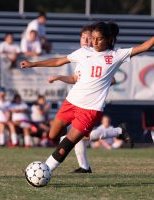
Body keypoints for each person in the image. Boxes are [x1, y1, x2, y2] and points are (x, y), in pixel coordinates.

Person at [20, 20, 154, 176]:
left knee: (67, 143)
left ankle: (44, 171)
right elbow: (58, 61)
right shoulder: (83, 52)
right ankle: (106, 132)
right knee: (53, 135)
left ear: (108, 39)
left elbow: (145, 47)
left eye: (99, 39)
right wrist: (33, 64)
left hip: (90, 110)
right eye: (93, 38)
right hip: (71, 103)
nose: (95, 42)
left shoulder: (115, 56)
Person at [49, 25, 122, 173]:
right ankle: (85, 166)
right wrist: (59, 77)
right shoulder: (82, 56)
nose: (86, 40)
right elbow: (75, 78)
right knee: (76, 136)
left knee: (78, 136)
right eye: (83, 37)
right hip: (76, 101)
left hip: (90, 104)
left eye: (88, 37)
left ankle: (116, 132)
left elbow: (112, 79)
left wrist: (100, 82)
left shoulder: (101, 57)